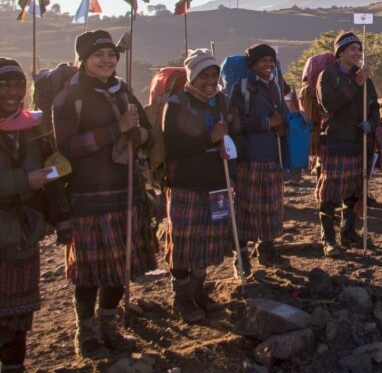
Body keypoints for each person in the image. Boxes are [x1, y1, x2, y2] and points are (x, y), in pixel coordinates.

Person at [53, 31, 158, 359]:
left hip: (126, 193)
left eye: (111, 54)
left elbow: (149, 134)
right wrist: (115, 130)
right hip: (88, 197)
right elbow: (66, 148)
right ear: (83, 59)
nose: (107, 60)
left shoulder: (122, 90)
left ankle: (109, 327)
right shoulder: (68, 98)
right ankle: (86, 334)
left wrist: (139, 135)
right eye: (98, 55)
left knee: (120, 267)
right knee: (90, 272)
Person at [0, 59, 65, 371]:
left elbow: (54, 166)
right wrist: (25, 181)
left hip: (25, 233)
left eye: (18, 85)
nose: (12, 92)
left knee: (19, 317)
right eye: (4, 86)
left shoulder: (32, 127)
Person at [161, 49, 233, 322]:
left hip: (216, 181)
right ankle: (181, 297)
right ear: (192, 76)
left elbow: (230, 134)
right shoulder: (177, 104)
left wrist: (227, 146)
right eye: (204, 75)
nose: (210, 81)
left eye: (214, 75)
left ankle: (197, 289)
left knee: (209, 239)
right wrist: (209, 138)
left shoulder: (221, 101)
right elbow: (173, 145)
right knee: (184, 241)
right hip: (186, 183)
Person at [315, 32, 379, 256]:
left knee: (354, 190)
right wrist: (355, 84)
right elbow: (330, 104)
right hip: (336, 139)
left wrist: (372, 123)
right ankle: (328, 239)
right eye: (352, 49)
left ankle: (348, 231)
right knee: (330, 192)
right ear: (340, 52)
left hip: (359, 140)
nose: (357, 53)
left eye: (359, 49)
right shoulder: (327, 76)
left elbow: (374, 106)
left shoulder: (364, 78)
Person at [229, 43, 288, 266]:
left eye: (271, 60)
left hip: (272, 156)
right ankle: (241, 256)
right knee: (246, 207)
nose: (268, 64)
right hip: (249, 158)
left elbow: (282, 116)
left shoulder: (276, 87)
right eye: (263, 60)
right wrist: (267, 123)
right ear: (253, 64)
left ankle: (266, 251)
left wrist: (283, 125)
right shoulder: (241, 89)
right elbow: (236, 124)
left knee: (271, 207)